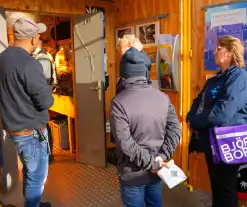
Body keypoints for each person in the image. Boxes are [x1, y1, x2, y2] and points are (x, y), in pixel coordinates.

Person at [110, 46, 181, 207]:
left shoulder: (118, 102)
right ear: (146, 72)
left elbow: (124, 143)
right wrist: (161, 158)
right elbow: (175, 131)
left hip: (133, 175)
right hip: (157, 171)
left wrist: (153, 163)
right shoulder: (163, 97)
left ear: (123, 74)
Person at [187, 36, 247, 207]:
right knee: (217, 186)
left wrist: (196, 123)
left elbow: (223, 112)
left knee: (226, 189)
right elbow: (198, 101)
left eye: (218, 48)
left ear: (229, 53)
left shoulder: (239, 77)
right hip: (211, 142)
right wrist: (190, 118)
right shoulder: (215, 79)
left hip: (227, 142)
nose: (214, 51)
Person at [0, 17, 54, 207]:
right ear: (32, 39)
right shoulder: (29, 64)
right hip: (31, 133)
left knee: (30, 174)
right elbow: (46, 101)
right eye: (38, 37)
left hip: (14, 130)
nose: (38, 40)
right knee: (36, 178)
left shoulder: (2, 59)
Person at [33, 40, 57, 162]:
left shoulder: (42, 59)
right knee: (43, 125)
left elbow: (44, 81)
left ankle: (49, 154)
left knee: (44, 125)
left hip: (42, 98)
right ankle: (47, 154)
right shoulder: (38, 58)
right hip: (41, 98)